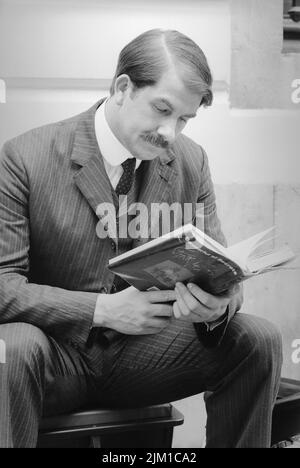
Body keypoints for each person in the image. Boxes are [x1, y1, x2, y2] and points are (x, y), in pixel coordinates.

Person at [0, 29, 282, 448]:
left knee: (259, 340)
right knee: (11, 347)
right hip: (53, 358)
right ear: (123, 87)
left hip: (145, 356)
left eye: (184, 119)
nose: (170, 132)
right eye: (162, 109)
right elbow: (4, 286)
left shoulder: (192, 160)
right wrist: (102, 310)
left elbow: (224, 270)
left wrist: (216, 307)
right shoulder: (24, 157)